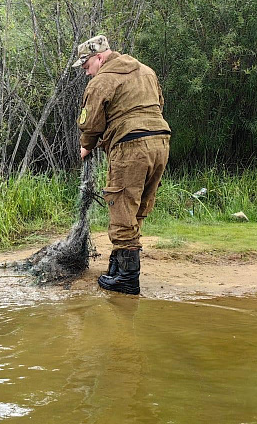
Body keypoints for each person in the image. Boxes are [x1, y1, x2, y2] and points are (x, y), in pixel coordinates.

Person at [73, 35, 170, 295]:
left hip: (131, 146)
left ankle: (127, 279)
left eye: (86, 66)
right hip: (161, 142)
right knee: (137, 207)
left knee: (121, 206)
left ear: (100, 58)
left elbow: (90, 122)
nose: (86, 72)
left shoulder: (102, 81)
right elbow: (159, 104)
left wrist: (87, 145)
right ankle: (117, 266)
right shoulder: (146, 71)